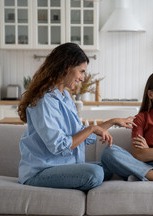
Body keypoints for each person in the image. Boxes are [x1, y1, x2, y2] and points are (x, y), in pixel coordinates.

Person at [17, 42, 135, 191]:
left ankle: (142, 173)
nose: (82, 78)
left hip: (65, 167)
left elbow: (81, 136)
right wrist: (91, 129)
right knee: (95, 173)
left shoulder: (65, 96)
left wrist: (112, 122)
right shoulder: (44, 101)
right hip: (41, 172)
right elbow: (59, 146)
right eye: (81, 71)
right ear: (66, 67)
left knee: (108, 167)